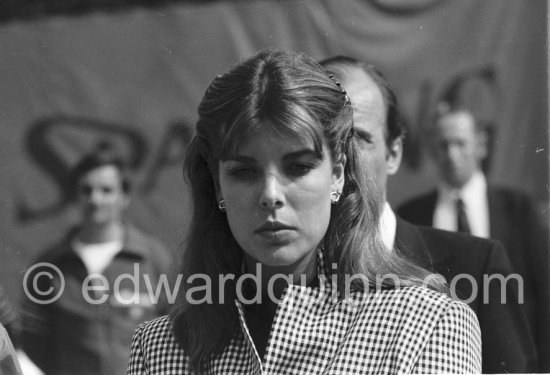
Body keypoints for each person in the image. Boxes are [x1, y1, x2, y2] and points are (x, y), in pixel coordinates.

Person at [127, 49, 481, 374]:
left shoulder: (427, 325)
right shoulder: (159, 348)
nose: (270, 195)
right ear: (218, 185)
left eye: (297, 168)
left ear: (338, 174)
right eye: (244, 172)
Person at [320, 55, 538, 372]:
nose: (340, 161)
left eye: (359, 138)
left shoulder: (480, 267)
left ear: (393, 152)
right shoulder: (281, 272)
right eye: (324, 142)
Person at [397, 104, 550, 370]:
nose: (452, 154)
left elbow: (545, 293)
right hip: (441, 358)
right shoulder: (412, 215)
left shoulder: (518, 210)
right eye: (443, 145)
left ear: (481, 146)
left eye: (460, 143)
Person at [21, 144, 172, 375]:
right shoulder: (50, 266)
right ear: (76, 197)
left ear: (124, 197)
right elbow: (34, 342)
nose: (96, 198)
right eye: (87, 190)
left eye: (106, 190)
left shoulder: (153, 259)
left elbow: (178, 334)